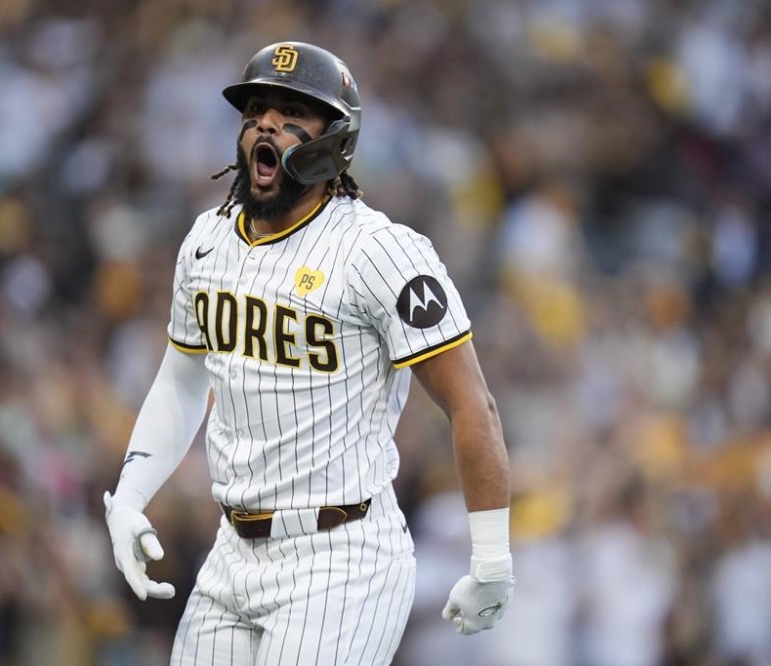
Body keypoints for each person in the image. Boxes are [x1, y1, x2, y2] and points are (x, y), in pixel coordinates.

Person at [102, 40, 515, 666]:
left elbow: (470, 403)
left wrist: (492, 556)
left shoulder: (379, 251)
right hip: (231, 550)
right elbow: (183, 380)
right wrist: (131, 494)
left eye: (294, 112)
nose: (267, 123)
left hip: (340, 556)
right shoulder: (207, 238)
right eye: (256, 109)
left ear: (335, 140)